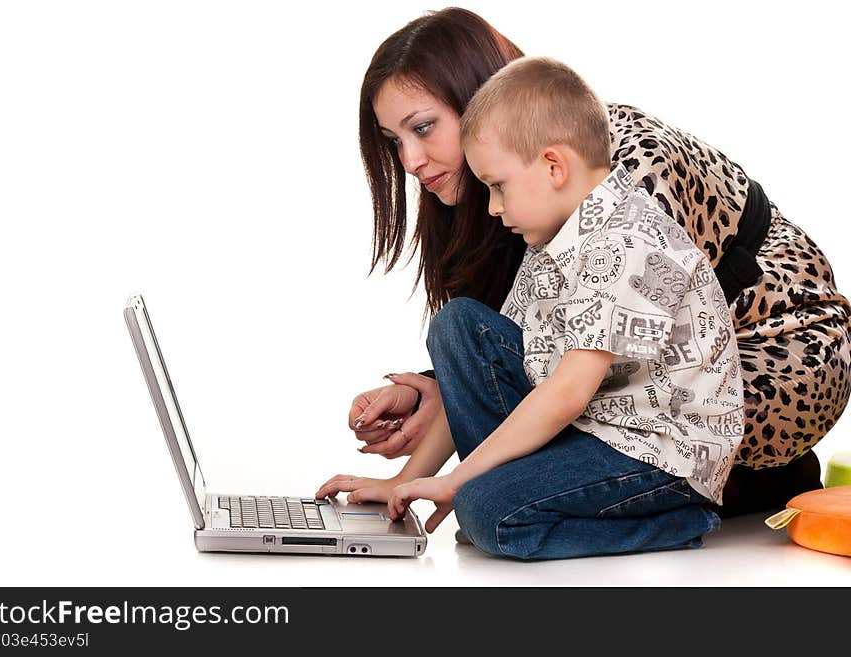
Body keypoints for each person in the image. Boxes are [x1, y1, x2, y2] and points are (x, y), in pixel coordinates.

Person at [333, 7, 851, 520]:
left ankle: (746, 487)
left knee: (522, 479)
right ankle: (517, 502)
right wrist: (439, 393)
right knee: (480, 382)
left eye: (423, 128)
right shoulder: (514, 186)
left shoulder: (625, 179)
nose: (410, 161)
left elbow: (584, 367)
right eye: (394, 141)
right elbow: (530, 333)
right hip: (621, 367)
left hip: (781, 349)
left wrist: (460, 475)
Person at [319, 55, 741, 559]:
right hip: (594, 430)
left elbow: (565, 393)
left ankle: (677, 521)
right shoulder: (552, 242)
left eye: (498, 186)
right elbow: (503, 365)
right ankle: (500, 493)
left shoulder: (628, 242)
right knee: (459, 326)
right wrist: (407, 483)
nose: (493, 207)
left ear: (553, 167)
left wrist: (458, 481)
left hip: (660, 456)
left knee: (486, 515)